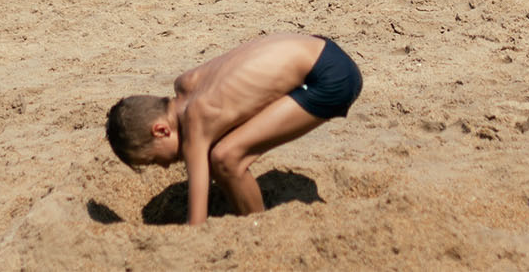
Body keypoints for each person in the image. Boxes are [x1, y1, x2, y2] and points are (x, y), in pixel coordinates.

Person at [106, 33, 361, 226]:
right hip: (319, 50)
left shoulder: (196, 119)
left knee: (226, 158)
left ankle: (255, 231)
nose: (164, 166)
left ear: (161, 130)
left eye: (154, 159)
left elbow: (197, 221)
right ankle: (245, 216)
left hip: (331, 79)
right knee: (221, 154)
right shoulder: (186, 84)